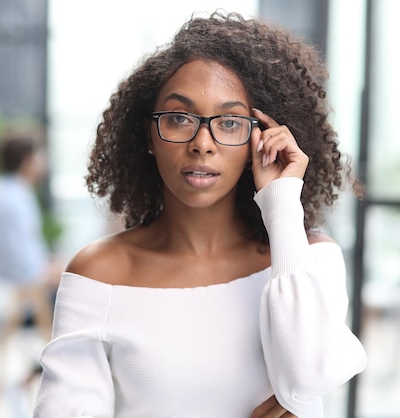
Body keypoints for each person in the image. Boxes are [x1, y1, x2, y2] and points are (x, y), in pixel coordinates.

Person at [33, 11, 367, 418]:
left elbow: (308, 379)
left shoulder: (309, 259)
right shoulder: (100, 274)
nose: (203, 144)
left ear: (258, 139)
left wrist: (281, 201)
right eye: (179, 118)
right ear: (149, 136)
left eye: (229, 122)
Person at [0, 128, 61, 339]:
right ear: (27, 161)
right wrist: (54, 272)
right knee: (82, 296)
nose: (44, 161)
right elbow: (24, 268)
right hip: (11, 301)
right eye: (40, 155)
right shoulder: (16, 199)